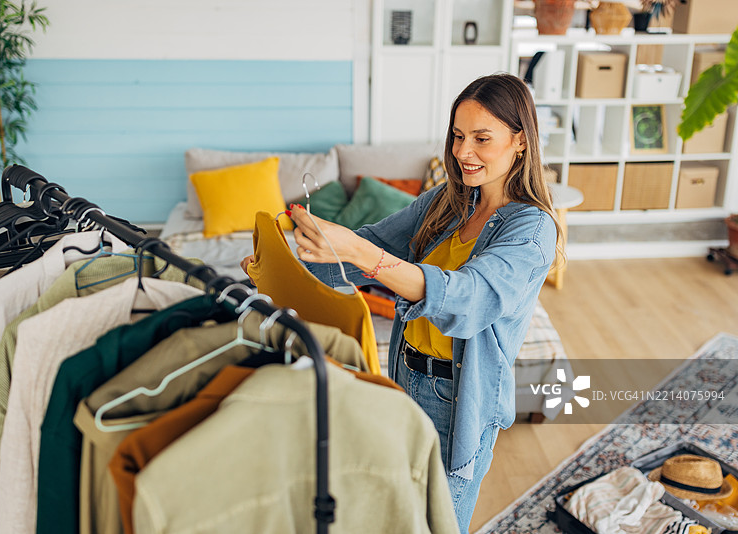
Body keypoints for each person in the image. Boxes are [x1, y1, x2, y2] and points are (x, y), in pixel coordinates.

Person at [241, 73, 563, 532]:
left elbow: (468, 298)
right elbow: (366, 245)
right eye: (457, 136)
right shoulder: (449, 201)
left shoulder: (531, 232)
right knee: (394, 513)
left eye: (481, 139)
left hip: (459, 398)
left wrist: (366, 256)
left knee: (436, 523)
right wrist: (278, 270)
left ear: (521, 142)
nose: (462, 152)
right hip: (405, 374)